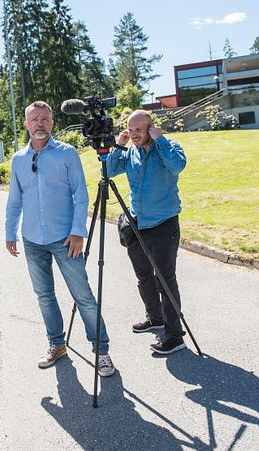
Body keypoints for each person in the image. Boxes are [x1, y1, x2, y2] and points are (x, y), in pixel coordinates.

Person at [5, 100, 115, 377]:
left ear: (52, 123)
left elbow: (81, 195)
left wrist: (79, 231)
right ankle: (57, 344)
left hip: (66, 239)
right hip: (32, 239)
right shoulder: (18, 159)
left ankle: (101, 351)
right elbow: (14, 200)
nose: (39, 124)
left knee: (84, 296)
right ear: (27, 124)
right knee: (44, 296)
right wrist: (10, 233)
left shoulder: (67, 154)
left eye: (44, 119)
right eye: (34, 119)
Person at [106, 109, 188, 355]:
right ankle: (155, 317)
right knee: (144, 277)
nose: (133, 135)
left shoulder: (168, 147)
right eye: (130, 131)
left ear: (151, 128)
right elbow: (108, 171)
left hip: (163, 224)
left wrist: (160, 139)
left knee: (165, 280)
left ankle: (175, 335)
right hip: (136, 224)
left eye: (138, 130)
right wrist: (119, 145)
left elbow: (177, 166)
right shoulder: (129, 150)